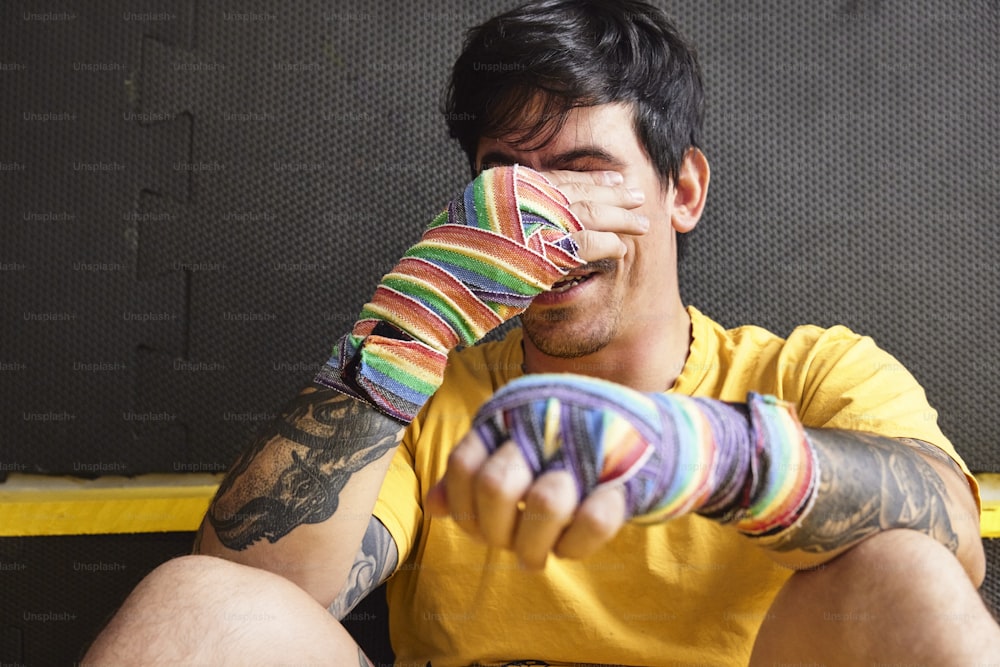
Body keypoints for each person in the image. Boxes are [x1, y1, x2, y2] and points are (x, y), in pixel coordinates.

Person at [84, 1, 1000, 665]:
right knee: (196, 600)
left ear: (681, 192)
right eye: (506, 180)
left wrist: (703, 451)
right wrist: (405, 329)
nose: (537, 220)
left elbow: (954, 539)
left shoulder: (809, 370)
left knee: (909, 577)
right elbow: (256, 596)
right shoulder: (431, 393)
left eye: (583, 170)